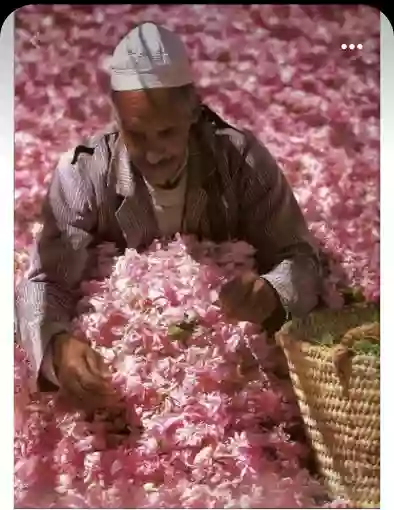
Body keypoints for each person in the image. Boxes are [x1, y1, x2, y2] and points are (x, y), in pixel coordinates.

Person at [15, 22, 323, 416]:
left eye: (167, 132)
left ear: (194, 111)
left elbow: (299, 256)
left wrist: (272, 292)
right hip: (124, 372)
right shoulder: (83, 174)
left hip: (226, 377)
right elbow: (47, 281)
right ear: (116, 118)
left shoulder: (242, 161)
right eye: (137, 135)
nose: (155, 153)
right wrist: (57, 345)